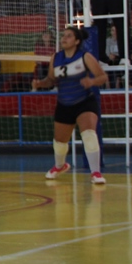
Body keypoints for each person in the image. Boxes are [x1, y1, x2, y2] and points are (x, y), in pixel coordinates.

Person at [32, 26, 109, 184]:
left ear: (77, 41)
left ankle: (96, 173)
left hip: (85, 102)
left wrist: (92, 81)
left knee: (88, 135)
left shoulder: (85, 56)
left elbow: (103, 77)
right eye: (63, 36)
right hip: (64, 103)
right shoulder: (56, 57)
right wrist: (40, 83)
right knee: (59, 143)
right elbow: (51, 80)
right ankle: (60, 166)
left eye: (68, 36)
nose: (64, 38)